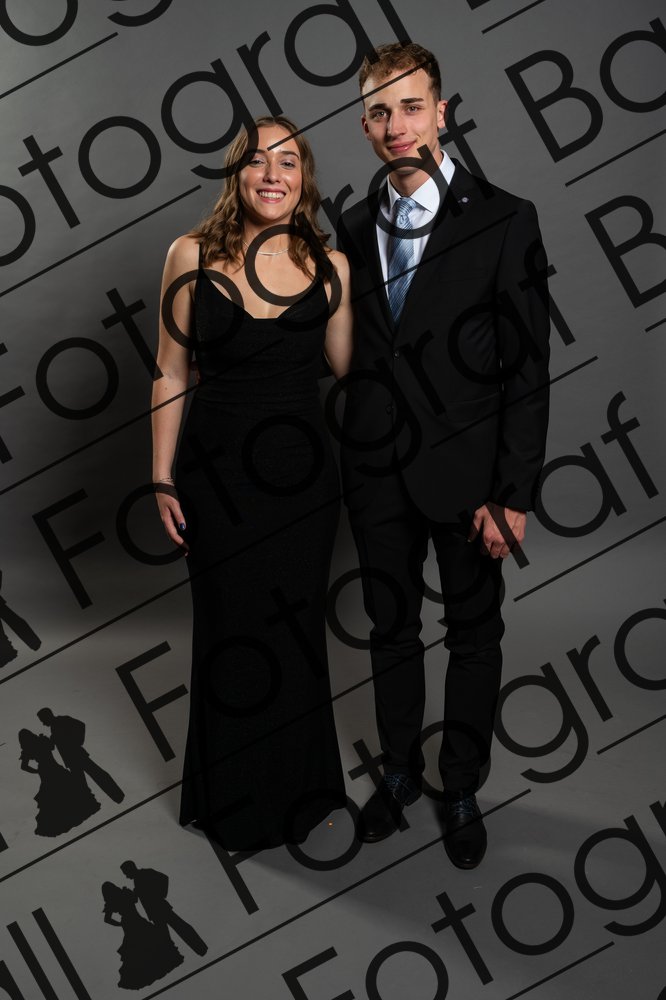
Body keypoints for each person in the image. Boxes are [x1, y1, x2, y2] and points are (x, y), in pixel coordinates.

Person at [336, 43, 550, 868]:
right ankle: (397, 774)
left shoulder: (505, 218)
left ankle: (459, 785)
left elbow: (527, 370)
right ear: (364, 125)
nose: (397, 125)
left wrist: (513, 492)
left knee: (473, 633)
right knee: (389, 628)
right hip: (375, 473)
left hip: (470, 479)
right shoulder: (350, 227)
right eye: (380, 112)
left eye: (412, 106)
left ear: (443, 112)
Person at [152, 115, 353, 850]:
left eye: (288, 162)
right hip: (214, 478)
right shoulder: (189, 253)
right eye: (258, 161)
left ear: (305, 179)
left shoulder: (333, 266)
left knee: (293, 632)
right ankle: (231, 801)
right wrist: (160, 478)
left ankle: (300, 792)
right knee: (230, 629)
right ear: (236, 174)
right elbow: (170, 371)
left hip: (303, 485)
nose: (273, 175)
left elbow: (356, 375)